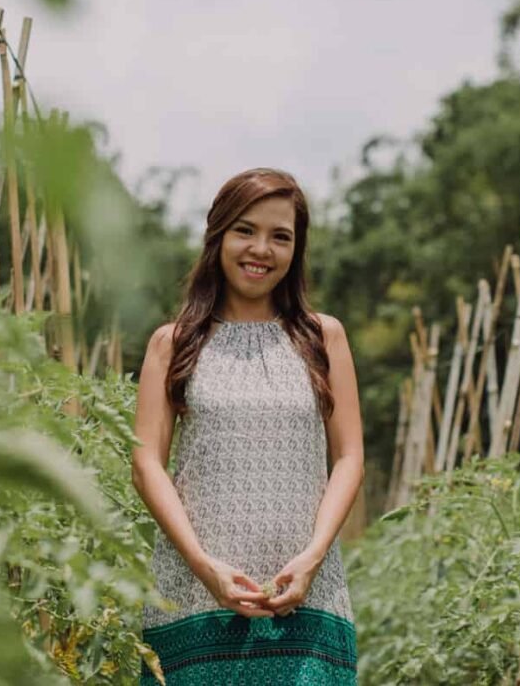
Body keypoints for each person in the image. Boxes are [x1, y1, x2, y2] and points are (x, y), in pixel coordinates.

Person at [131, 167, 363, 684]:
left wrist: (313, 557)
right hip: (194, 597)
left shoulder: (324, 338)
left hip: (308, 595)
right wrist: (203, 566)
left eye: (280, 236)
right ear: (218, 235)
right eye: (245, 230)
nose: (261, 249)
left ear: (296, 249)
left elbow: (349, 458)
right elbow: (146, 464)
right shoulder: (173, 343)